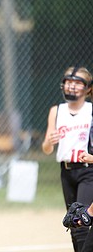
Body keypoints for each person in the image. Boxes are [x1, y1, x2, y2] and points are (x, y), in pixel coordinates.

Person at [42, 66, 93, 252]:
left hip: (88, 170)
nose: (71, 86)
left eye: (77, 82)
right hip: (66, 171)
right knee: (72, 222)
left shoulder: (90, 110)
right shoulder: (57, 111)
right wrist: (49, 141)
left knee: (82, 219)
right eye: (68, 82)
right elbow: (46, 149)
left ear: (88, 88)